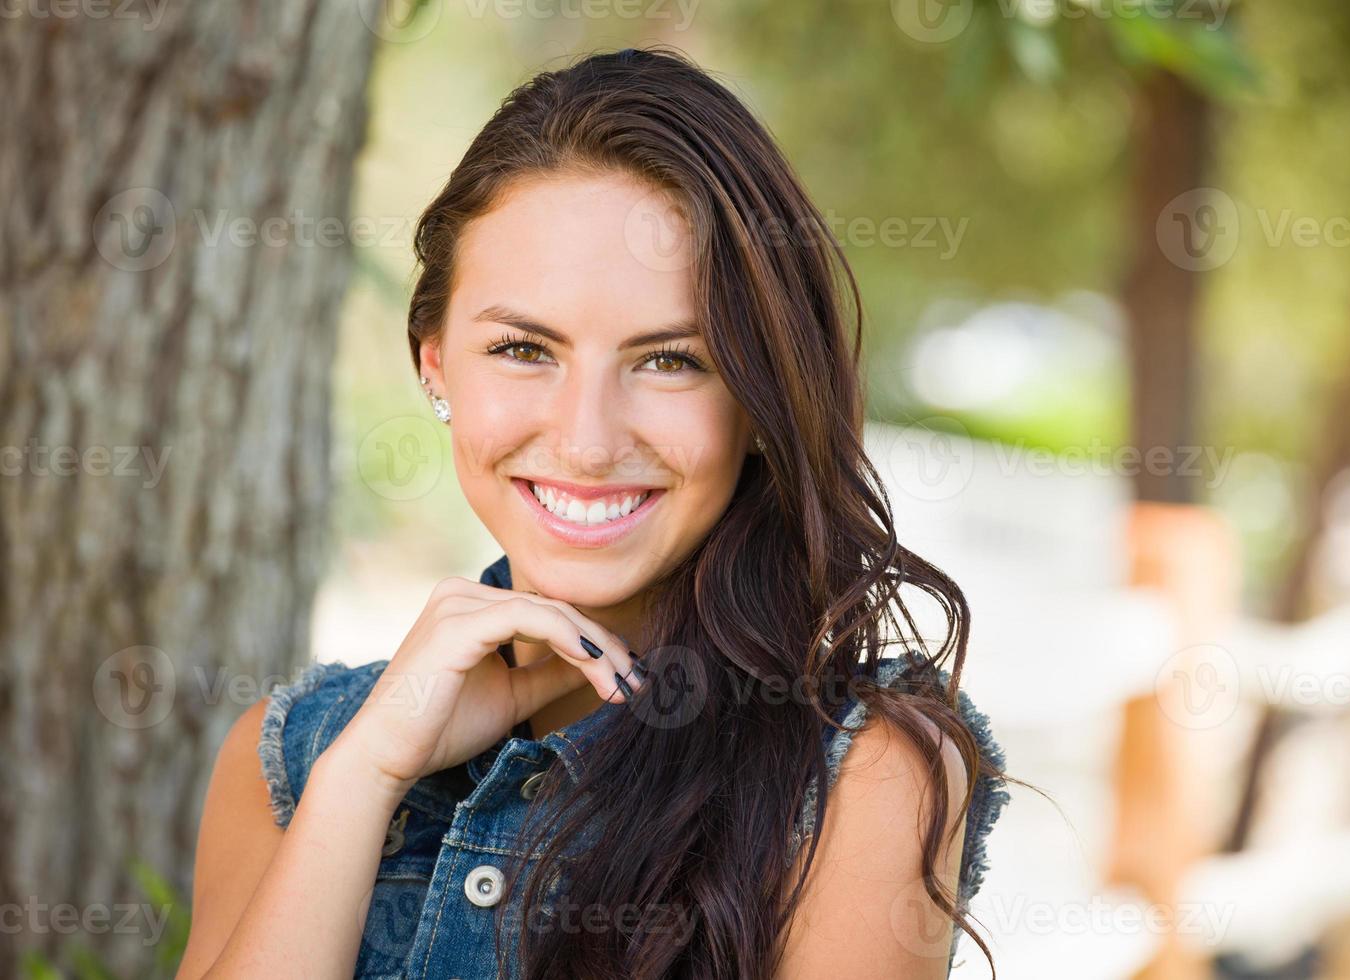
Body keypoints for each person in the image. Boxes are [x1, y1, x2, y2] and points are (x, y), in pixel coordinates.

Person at [178, 45, 1011, 980]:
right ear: (435, 366)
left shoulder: (862, 770)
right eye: (524, 348)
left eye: (669, 360)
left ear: (757, 400)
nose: (585, 439)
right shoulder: (294, 757)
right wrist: (364, 778)